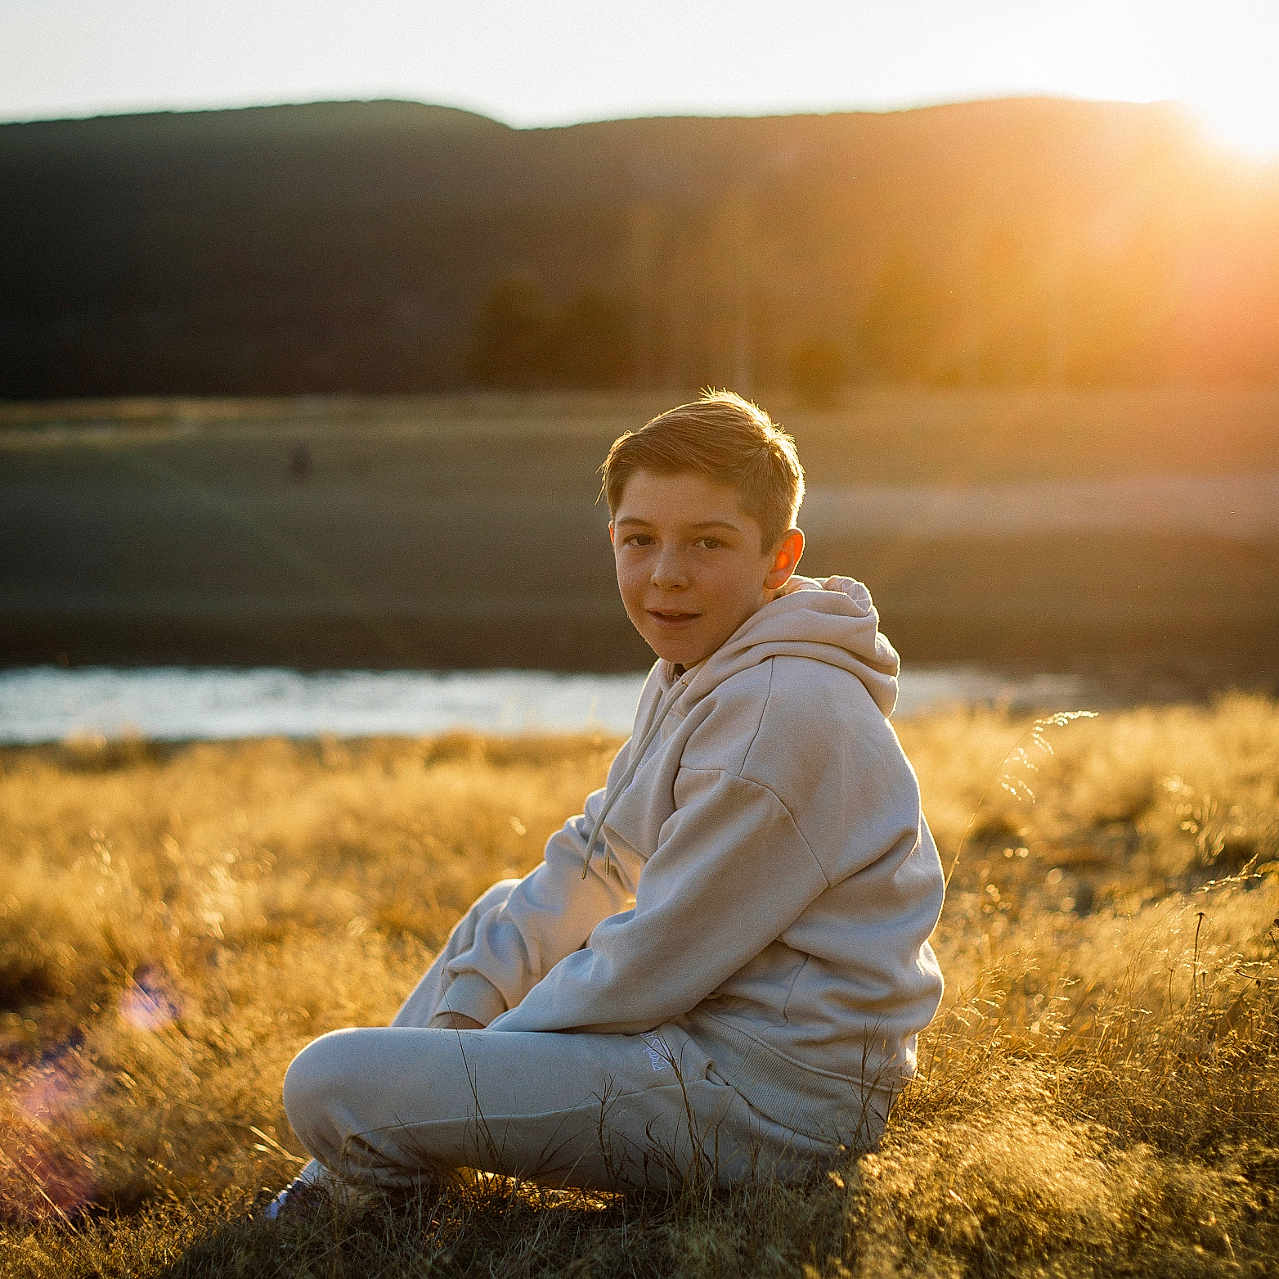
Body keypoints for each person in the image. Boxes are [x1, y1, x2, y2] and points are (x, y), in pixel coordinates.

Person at [268, 391, 944, 1213]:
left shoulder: (779, 707)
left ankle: (365, 1183)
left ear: (779, 555)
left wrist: (467, 1070)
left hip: (770, 1101)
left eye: (707, 541)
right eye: (639, 540)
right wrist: (450, 1043)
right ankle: (340, 1188)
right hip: (702, 1041)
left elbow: (651, 963)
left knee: (324, 1078)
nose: (666, 574)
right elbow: (599, 854)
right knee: (505, 910)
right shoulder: (705, 663)